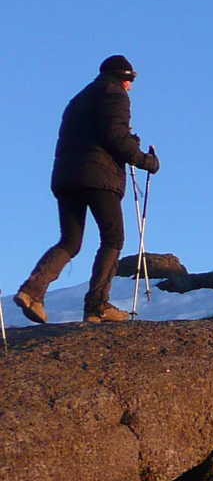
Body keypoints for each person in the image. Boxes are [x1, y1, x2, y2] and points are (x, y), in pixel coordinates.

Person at [13, 55, 159, 324]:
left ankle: (32, 291)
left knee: (70, 241)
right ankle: (97, 306)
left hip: (66, 177)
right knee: (113, 239)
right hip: (99, 178)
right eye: (129, 79)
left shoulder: (78, 99)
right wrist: (145, 160)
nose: (131, 86)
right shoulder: (115, 96)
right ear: (121, 77)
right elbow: (115, 137)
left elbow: (95, 134)